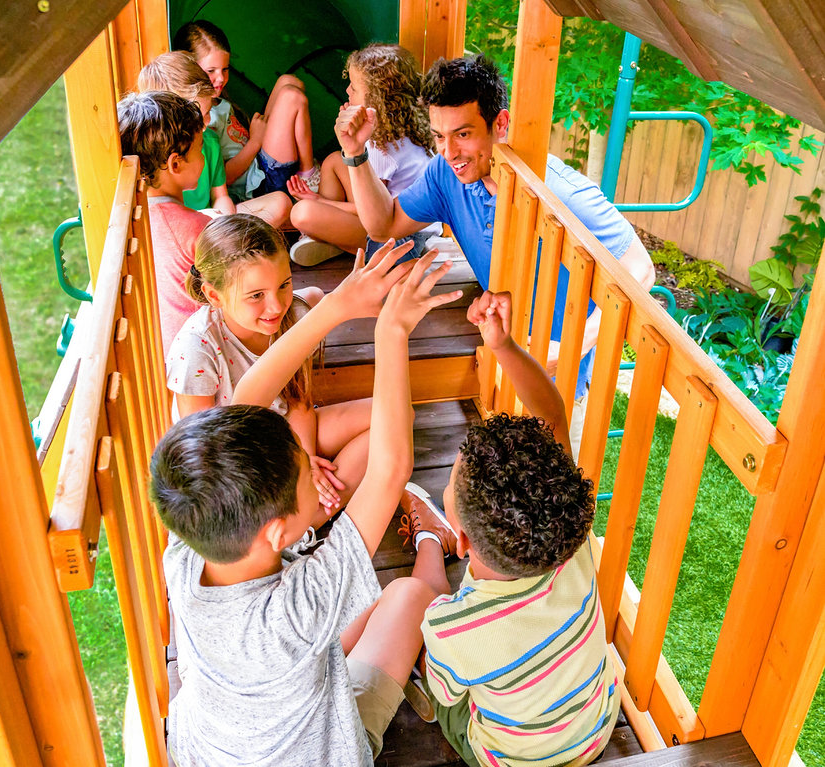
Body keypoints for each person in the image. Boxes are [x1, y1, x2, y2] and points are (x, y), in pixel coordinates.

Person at [149, 244, 463, 766]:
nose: (313, 473)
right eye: (303, 474)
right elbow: (388, 471)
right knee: (408, 594)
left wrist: (336, 306)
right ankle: (431, 538)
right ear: (275, 531)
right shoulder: (297, 609)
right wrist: (390, 331)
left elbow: (246, 399)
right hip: (321, 749)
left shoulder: (184, 552)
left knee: (356, 614)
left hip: (216, 746)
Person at [335, 54, 655, 458]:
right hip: (505, 350)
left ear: (499, 124)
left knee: (554, 500)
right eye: (438, 136)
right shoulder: (444, 174)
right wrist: (355, 155)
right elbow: (383, 225)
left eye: (463, 134)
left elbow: (642, 272)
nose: (450, 151)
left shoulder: (560, 191)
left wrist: (566, 351)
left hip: (559, 381)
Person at [417, 289, 619, 767]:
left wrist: (433, 634)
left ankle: (428, 539)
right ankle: (431, 531)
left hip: (512, 760)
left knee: (419, 608)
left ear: (463, 541)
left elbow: (444, 691)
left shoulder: (455, 630)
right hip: (597, 728)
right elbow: (552, 416)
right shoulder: (570, 540)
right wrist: (504, 346)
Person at [167, 213, 368, 522]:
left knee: (390, 414)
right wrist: (291, 469)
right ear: (213, 295)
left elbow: (298, 399)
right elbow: (203, 457)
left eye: (284, 285)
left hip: (286, 431)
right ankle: (306, 519)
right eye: (256, 296)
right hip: (232, 457)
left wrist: (305, 458)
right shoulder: (196, 349)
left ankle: (312, 513)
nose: (276, 306)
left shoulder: (292, 316)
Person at [287, 44, 437, 266]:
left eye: (354, 88)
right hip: (412, 227)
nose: (347, 91)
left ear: (376, 100)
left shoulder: (382, 148)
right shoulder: (405, 125)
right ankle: (333, 238)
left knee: (302, 213)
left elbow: (375, 214)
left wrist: (321, 202)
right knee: (334, 161)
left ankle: (335, 240)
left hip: (400, 242)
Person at [137, 52, 291, 226]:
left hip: (212, 221)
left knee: (281, 203)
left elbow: (221, 196)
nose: (208, 120)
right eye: (201, 116)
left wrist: (222, 220)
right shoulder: (155, 159)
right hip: (182, 225)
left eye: (209, 111)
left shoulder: (210, 141)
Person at [173, 20, 318, 200]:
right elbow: (223, 178)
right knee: (292, 96)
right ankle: (308, 174)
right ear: (190, 69)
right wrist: (256, 141)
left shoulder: (217, 101)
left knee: (289, 81)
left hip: (257, 160)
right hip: (259, 183)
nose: (220, 78)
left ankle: (304, 168)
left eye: (225, 69)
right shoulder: (201, 118)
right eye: (211, 71)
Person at [117, 90, 213, 354]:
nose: (204, 158)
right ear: (176, 164)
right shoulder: (196, 228)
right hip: (202, 356)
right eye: (200, 149)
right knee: (311, 298)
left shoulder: (132, 218)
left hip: (158, 352)